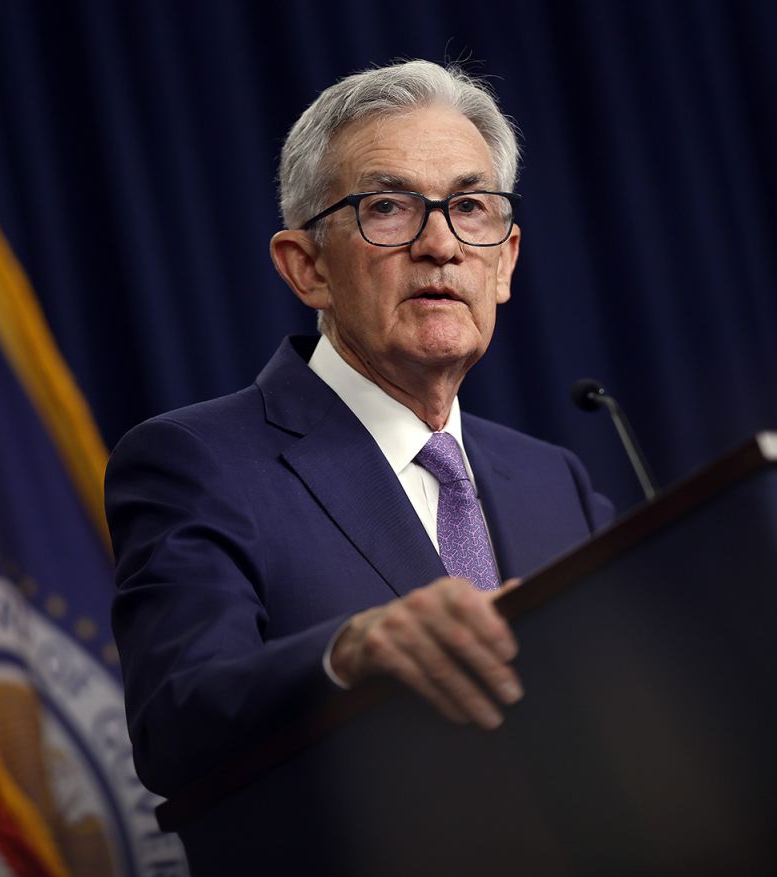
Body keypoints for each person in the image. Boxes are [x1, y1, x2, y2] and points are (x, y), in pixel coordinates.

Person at [105, 60, 615, 800]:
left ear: (503, 263)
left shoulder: (554, 481)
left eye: (470, 206)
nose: (441, 245)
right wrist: (350, 651)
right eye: (388, 207)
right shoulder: (196, 462)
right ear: (306, 266)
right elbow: (175, 721)